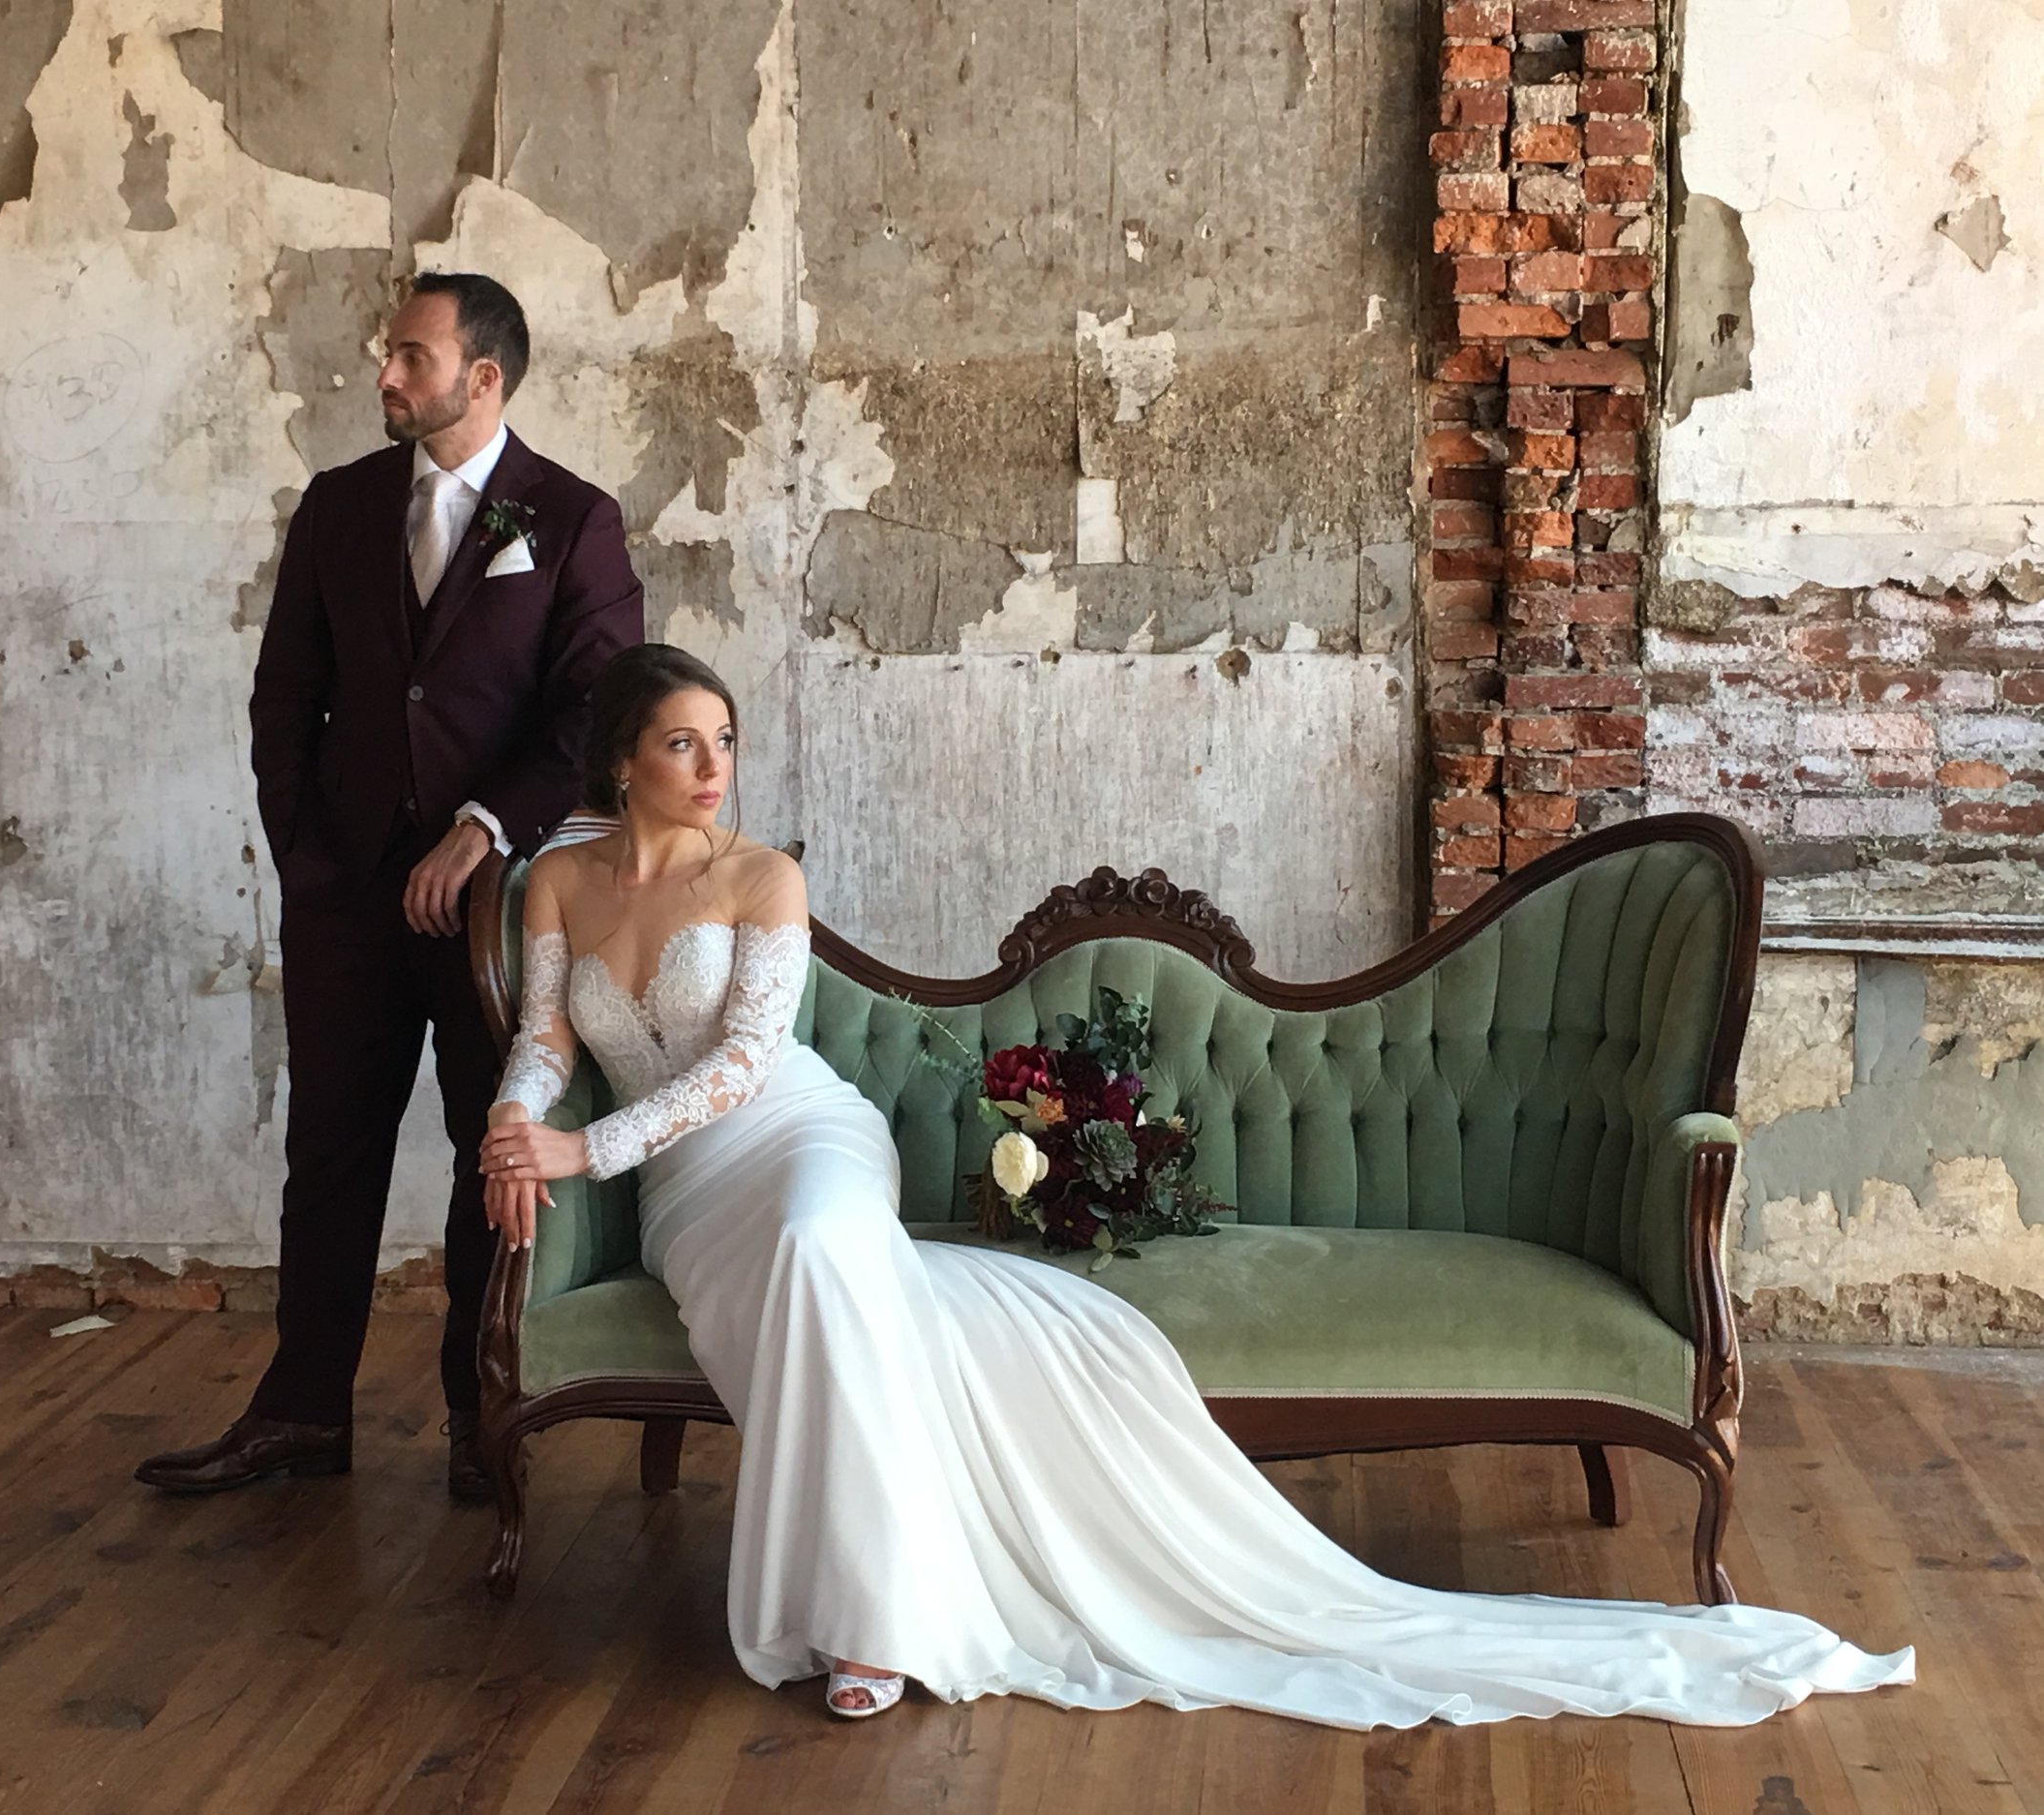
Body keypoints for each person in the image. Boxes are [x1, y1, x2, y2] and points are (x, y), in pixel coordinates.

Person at [476, 642, 1916, 1726]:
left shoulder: (763, 879)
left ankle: (877, 1618)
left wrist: (580, 1149)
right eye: (684, 743)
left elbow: (739, 1064)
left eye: (725, 737)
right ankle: (870, 1582)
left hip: (794, 1134)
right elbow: (545, 1038)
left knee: (818, 1247)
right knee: (817, 1302)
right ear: (621, 765)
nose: (716, 765)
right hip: (681, 1193)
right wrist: (507, 1122)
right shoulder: (561, 883)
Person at [137, 273, 642, 1503]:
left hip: (495, 908)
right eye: (387, 355)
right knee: (328, 1158)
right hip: (347, 901)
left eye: (410, 358)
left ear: (484, 377)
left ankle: (483, 1411)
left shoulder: (571, 521)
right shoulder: (339, 506)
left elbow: (599, 710)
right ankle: (302, 1411)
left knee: (494, 1158)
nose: (384, 377)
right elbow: (282, 702)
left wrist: (482, 830)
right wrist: (309, 859)